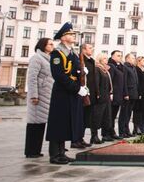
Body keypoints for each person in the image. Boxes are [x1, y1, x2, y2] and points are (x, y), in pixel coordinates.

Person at [45, 22, 87, 164]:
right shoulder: (57, 53)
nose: (73, 35)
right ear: (63, 38)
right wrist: (77, 88)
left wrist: (81, 72)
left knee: (65, 123)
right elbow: (59, 75)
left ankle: (62, 153)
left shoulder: (72, 52)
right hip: (62, 93)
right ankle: (54, 154)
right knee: (58, 123)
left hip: (71, 92)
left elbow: (75, 70)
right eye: (70, 34)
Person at [24, 38, 54, 158]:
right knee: (34, 124)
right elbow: (32, 78)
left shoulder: (48, 59)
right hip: (39, 96)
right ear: (43, 45)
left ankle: (36, 150)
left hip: (47, 95)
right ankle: (30, 151)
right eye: (50, 44)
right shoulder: (37, 58)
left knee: (41, 124)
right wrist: (33, 95)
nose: (52, 46)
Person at [81, 43, 101, 144]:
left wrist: (97, 92)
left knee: (93, 116)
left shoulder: (92, 61)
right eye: (89, 48)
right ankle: (79, 138)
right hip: (84, 92)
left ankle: (94, 136)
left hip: (93, 92)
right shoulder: (81, 60)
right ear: (83, 50)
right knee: (83, 116)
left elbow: (94, 78)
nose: (92, 49)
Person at [91, 54, 112, 142]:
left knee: (106, 116)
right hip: (100, 96)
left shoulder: (105, 70)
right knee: (97, 116)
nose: (106, 60)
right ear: (99, 59)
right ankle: (94, 136)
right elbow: (96, 83)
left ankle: (105, 135)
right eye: (104, 58)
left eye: (107, 58)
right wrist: (98, 94)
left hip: (106, 96)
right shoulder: (97, 69)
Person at [105, 50, 125, 140]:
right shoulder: (111, 66)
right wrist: (111, 92)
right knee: (109, 115)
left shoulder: (120, 66)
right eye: (118, 55)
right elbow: (110, 81)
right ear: (112, 56)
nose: (120, 57)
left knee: (113, 115)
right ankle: (107, 133)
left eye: (121, 56)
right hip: (113, 95)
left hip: (118, 95)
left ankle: (111, 131)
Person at [122, 53, 139, 137]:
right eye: (132, 58)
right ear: (127, 59)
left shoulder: (133, 68)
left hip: (134, 94)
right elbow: (124, 81)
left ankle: (127, 130)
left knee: (129, 114)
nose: (134, 60)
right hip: (128, 93)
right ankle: (124, 131)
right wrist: (126, 93)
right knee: (125, 113)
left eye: (134, 58)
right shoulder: (125, 67)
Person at [134, 57, 144, 134]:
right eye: (143, 60)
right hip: (140, 92)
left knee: (143, 110)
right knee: (138, 110)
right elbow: (138, 82)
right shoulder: (137, 69)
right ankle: (136, 128)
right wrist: (139, 93)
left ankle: (142, 126)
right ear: (139, 61)